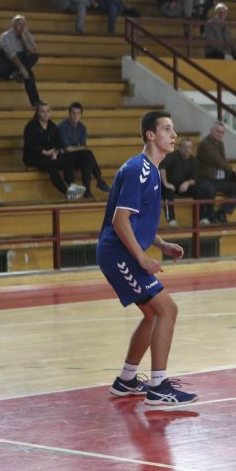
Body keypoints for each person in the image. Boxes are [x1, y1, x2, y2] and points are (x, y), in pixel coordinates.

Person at [99, 110, 197, 407]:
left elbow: (136, 220)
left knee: (154, 314)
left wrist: (161, 244)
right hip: (119, 254)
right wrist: (142, 258)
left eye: (174, 128)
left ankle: (126, 380)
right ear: (150, 135)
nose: (174, 134)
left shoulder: (151, 170)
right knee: (168, 310)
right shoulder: (138, 169)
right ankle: (158, 387)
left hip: (123, 253)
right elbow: (120, 221)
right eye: (167, 129)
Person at [23, 101, 85, 200]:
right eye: (42, 111)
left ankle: (72, 185)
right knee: (51, 165)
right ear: (38, 112)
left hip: (51, 153)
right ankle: (66, 192)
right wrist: (44, 152)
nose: (45, 114)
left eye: (47, 111)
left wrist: (55, 152)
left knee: (65, 161)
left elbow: (58, 143)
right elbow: (29, 145)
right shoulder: (31, 126)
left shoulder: (52, 126)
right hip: (34, 156)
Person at [58, 102, 111, 199]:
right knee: (88, 153)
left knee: (87, 161)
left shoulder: (82, 127)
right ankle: (99, 179)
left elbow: (82, 147)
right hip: (65, 157)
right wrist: (77, 148)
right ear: (69, 114)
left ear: (81, 115)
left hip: (78, 156)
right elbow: (67, 149)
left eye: (78, 113)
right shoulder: (62, 127)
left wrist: (75, 148)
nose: (75, 116)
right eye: (73, 113)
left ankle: (87, 191)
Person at [196, 121, 236, 223]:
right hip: (206, 179)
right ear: (211, 131)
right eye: (217, 131)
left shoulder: (220, 144)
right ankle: (210, 216)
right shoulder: (205, 144)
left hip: (218, 180)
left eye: (222, 132)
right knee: (210, 189)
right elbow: (218, 161)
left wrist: (231, 175)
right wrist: (231, 170)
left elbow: (223, 162)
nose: (220, 134)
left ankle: (222, 212)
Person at [160, 137, 214, 225]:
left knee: (199, 190)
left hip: (183, 187)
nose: (187, 149)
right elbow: (162, 168)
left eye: (189, 147)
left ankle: (203, 218)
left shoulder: (193, 160)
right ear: (180, 148)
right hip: (170, 185)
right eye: (184, 146)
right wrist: (166, 183)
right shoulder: (172, 156)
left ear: (192, 148)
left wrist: (187, 183)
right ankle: (171, 220)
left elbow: (195, 179)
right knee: (168, 191)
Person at [0, 15, 40, 107]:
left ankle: (36, 102)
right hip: (6, 66)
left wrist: (23, 37)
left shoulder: (27, 35)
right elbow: (11, 55)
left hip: (18, 66)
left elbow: (33, 51)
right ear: (13, 25)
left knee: (34, 58)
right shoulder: (6, 36)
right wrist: (22, 69)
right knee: (27, 72)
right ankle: (18, 73)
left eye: (23, 24)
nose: (22, 26)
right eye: (19, 24)